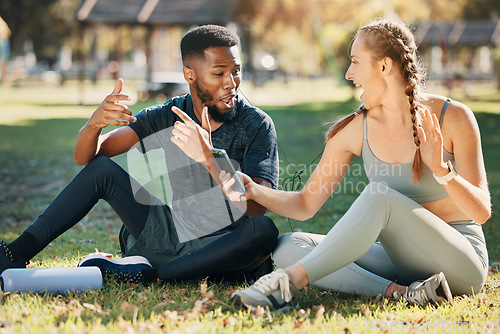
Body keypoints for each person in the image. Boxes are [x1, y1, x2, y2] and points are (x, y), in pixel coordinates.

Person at [219, 18, 490, 309]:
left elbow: (482, 212)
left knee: (379, 196)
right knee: (289, 246)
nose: (349, 73)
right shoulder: (354, 129)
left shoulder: (454, 117)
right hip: (402, 263)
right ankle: (401, 292)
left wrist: (442, 171)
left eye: (355, 62)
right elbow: (305, 204)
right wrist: (254, 191)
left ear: (384, 66)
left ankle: (286, 283)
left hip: (461, 264)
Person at [0, 25, 279, 284]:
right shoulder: (167, 114)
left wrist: (210, 156)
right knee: (102, 170)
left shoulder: (257, 124)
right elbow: (86, 157)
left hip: (223, 245)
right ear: (190, 75)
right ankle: (14, 254)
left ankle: (156, 274)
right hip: (169, 235)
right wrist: (94, 124)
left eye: (236, 71)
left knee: (262, 230)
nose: (231, 82)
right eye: (219, 73)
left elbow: (256, 207)